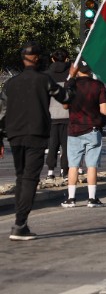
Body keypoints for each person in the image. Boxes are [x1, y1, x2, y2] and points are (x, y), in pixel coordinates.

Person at [1, 42, 67, 241]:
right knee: (30, 178)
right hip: (36, 134)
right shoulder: (44, 81)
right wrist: (71, 85)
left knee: (21, 176)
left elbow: (1, 112)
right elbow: (65, 97)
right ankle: (20, 224)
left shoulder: (10, 84)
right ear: (38, 59)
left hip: (14, 135)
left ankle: (20, 221)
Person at [61, 60, 106, 208]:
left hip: (74, 129)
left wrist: (70, 78)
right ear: (90, 70)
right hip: (93, 129)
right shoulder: (98, 85)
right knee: (92, 165)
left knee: (73, 165)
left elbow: (64, 105)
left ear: (77, 69)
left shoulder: (71, 85)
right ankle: (92, 198)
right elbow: (105, 111)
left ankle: (71, 198)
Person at [44, 48, 71, 182]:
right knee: (66, 146)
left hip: (51, 116)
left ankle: (50, 171)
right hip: (67, 115)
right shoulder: (70, 75)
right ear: (66, 59)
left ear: (52, 59)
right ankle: (64, 171)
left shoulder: (46, 76)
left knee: (52, 145)